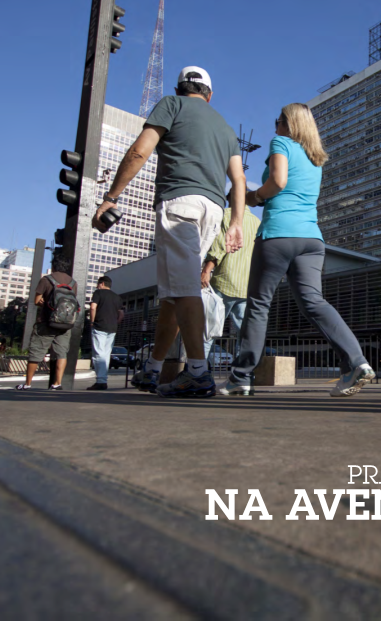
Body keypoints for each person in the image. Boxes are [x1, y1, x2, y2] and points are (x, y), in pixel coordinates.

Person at [93, 66, 246, 398]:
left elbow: (139, 151)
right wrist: (235, 222)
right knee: (174, 294)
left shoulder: (171, 105)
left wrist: (110, 197)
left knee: (184, 287)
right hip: (214, 208)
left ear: (180, 89)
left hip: (180, 203)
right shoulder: (225, 127)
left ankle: (198, 373)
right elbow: (239, 180)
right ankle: (152, 370)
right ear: (209, 94)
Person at [223, 103, 377, 398]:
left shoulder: (281, 142)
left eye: (277, 120)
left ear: (287, 123)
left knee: (258, 306)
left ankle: (240, 377)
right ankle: (357, 363)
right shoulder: (315, 158)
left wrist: (254, 197)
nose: (274, 126)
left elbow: (278, 181)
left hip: (278, 236)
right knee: (314, 303)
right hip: (311, 241)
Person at [201, 191, 261, 364]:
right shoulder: (257, 223)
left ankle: (199, 372)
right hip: (247, 286)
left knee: (208, 329)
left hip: (224, 281)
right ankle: (242, 374)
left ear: (230, 200)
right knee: (245, 334)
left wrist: (206, 270)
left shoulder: (226, 216)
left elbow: (219, 246)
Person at [16, 255, 77, 391]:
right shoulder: (73, 283)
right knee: (62, 353)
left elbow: (37, 300)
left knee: (36, 353)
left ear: (53, 265)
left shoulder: (46, 280)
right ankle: (57, 383)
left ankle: (28, 384)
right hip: (65, 324)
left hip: (46, 322)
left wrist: (45, 302)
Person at [87, 275, 125, 390]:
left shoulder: (98, 293)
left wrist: (92, 321)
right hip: (112, 328)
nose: (97, 286)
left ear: (102, 284)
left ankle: (101, 380)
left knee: (98, 353)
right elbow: (121, 314)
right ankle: (102, 378)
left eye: (98, 284)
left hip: (99, 326)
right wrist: (116, 322)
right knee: (106, 354)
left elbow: (93, 307)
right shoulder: (116, 297)